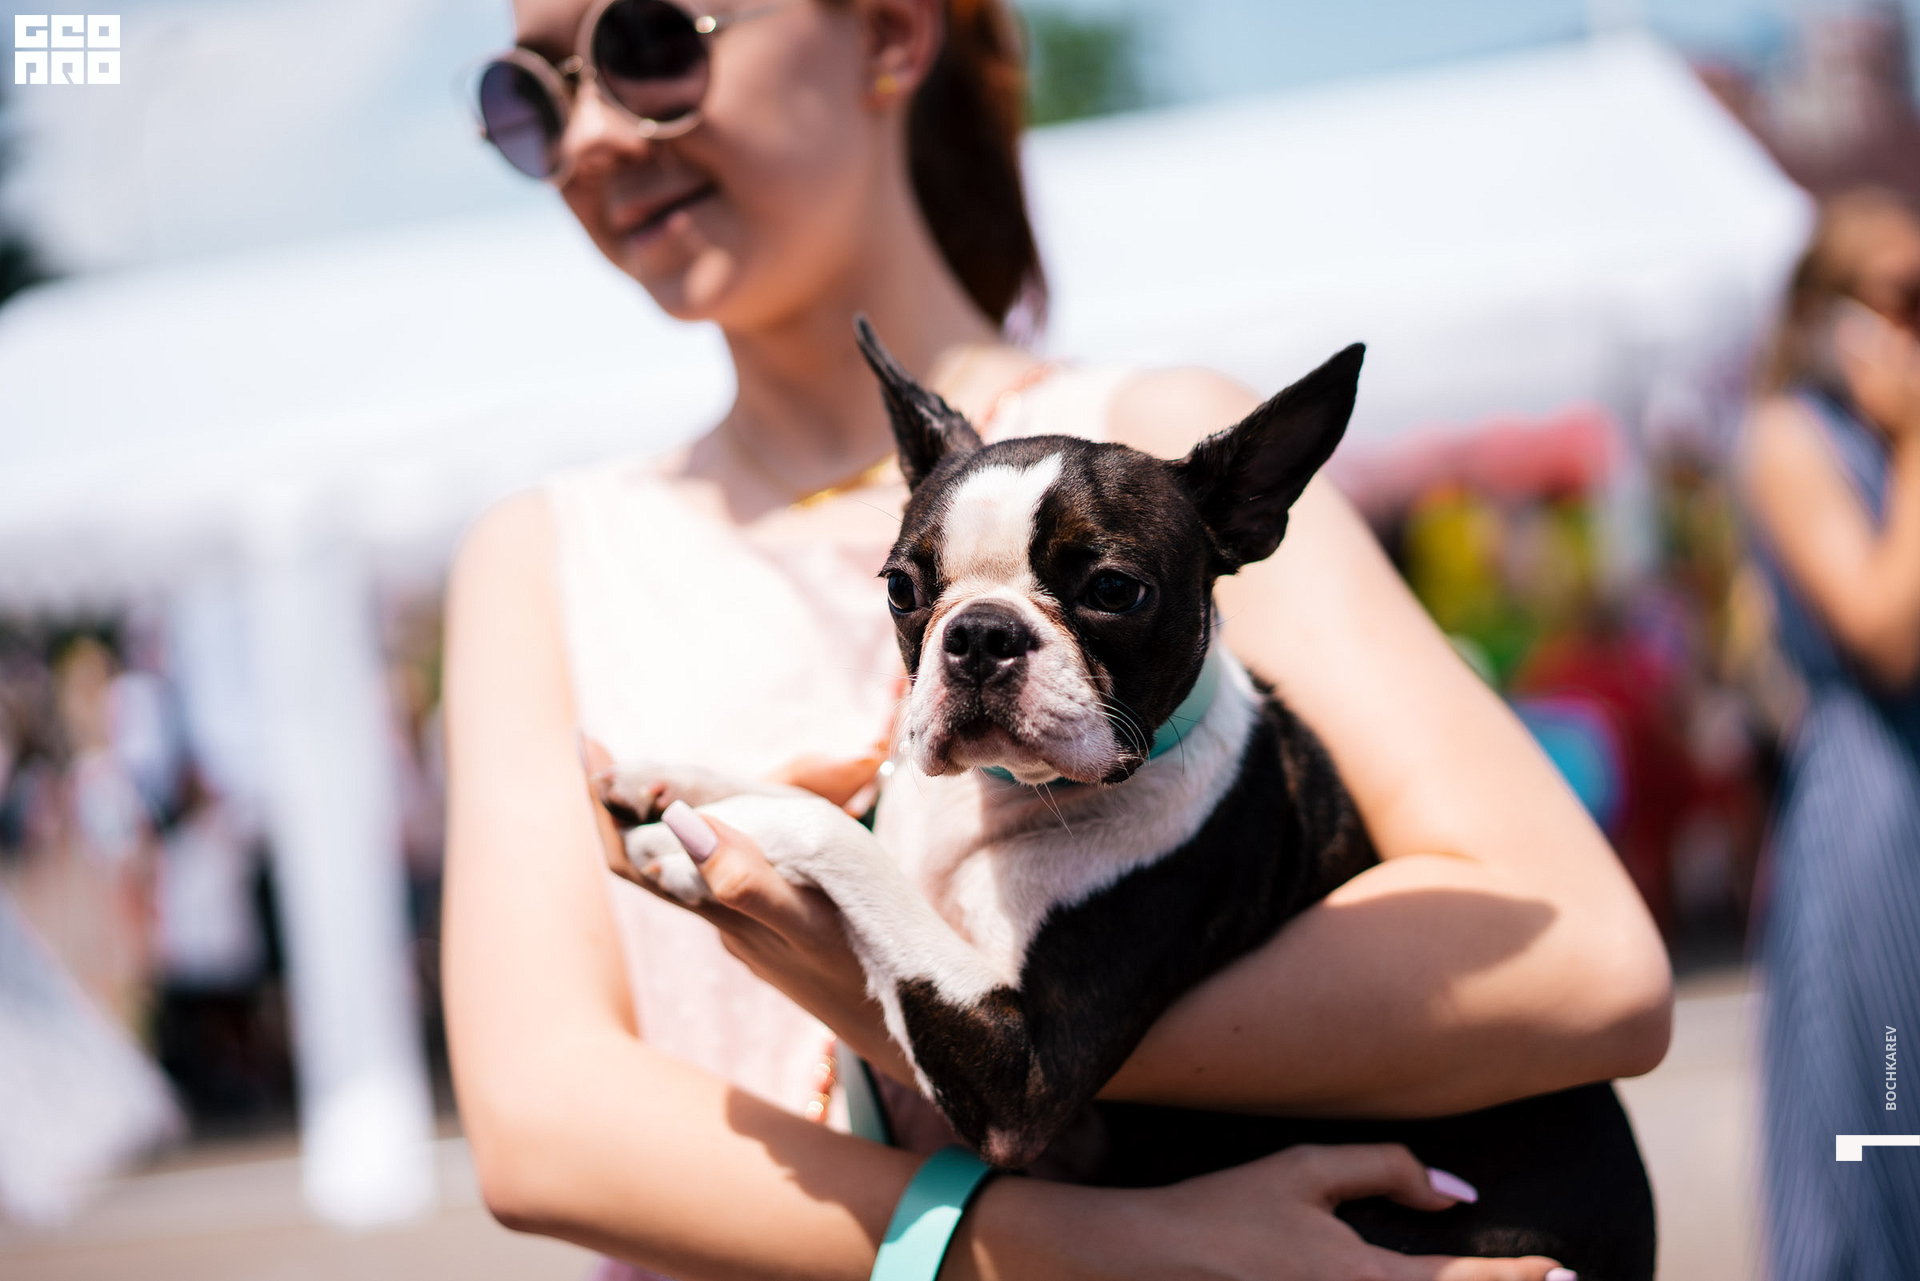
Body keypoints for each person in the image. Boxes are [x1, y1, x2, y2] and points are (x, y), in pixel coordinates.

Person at [441, 2, 1670, 1277]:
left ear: (887, 31)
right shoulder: (545, 553)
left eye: (648, 46)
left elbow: (1590, 966)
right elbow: (539, 1132)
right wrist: (1112, 1245)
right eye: (531, 93)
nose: (589, 133)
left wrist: (963, 1005)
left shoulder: (1164, 448)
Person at [1739, 187, 1920, 1280]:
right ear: (1828, 311)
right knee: (1889, 1104)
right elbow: (1884, 632)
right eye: (1904, 295)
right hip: (1877, 805)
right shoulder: (1790, 437)